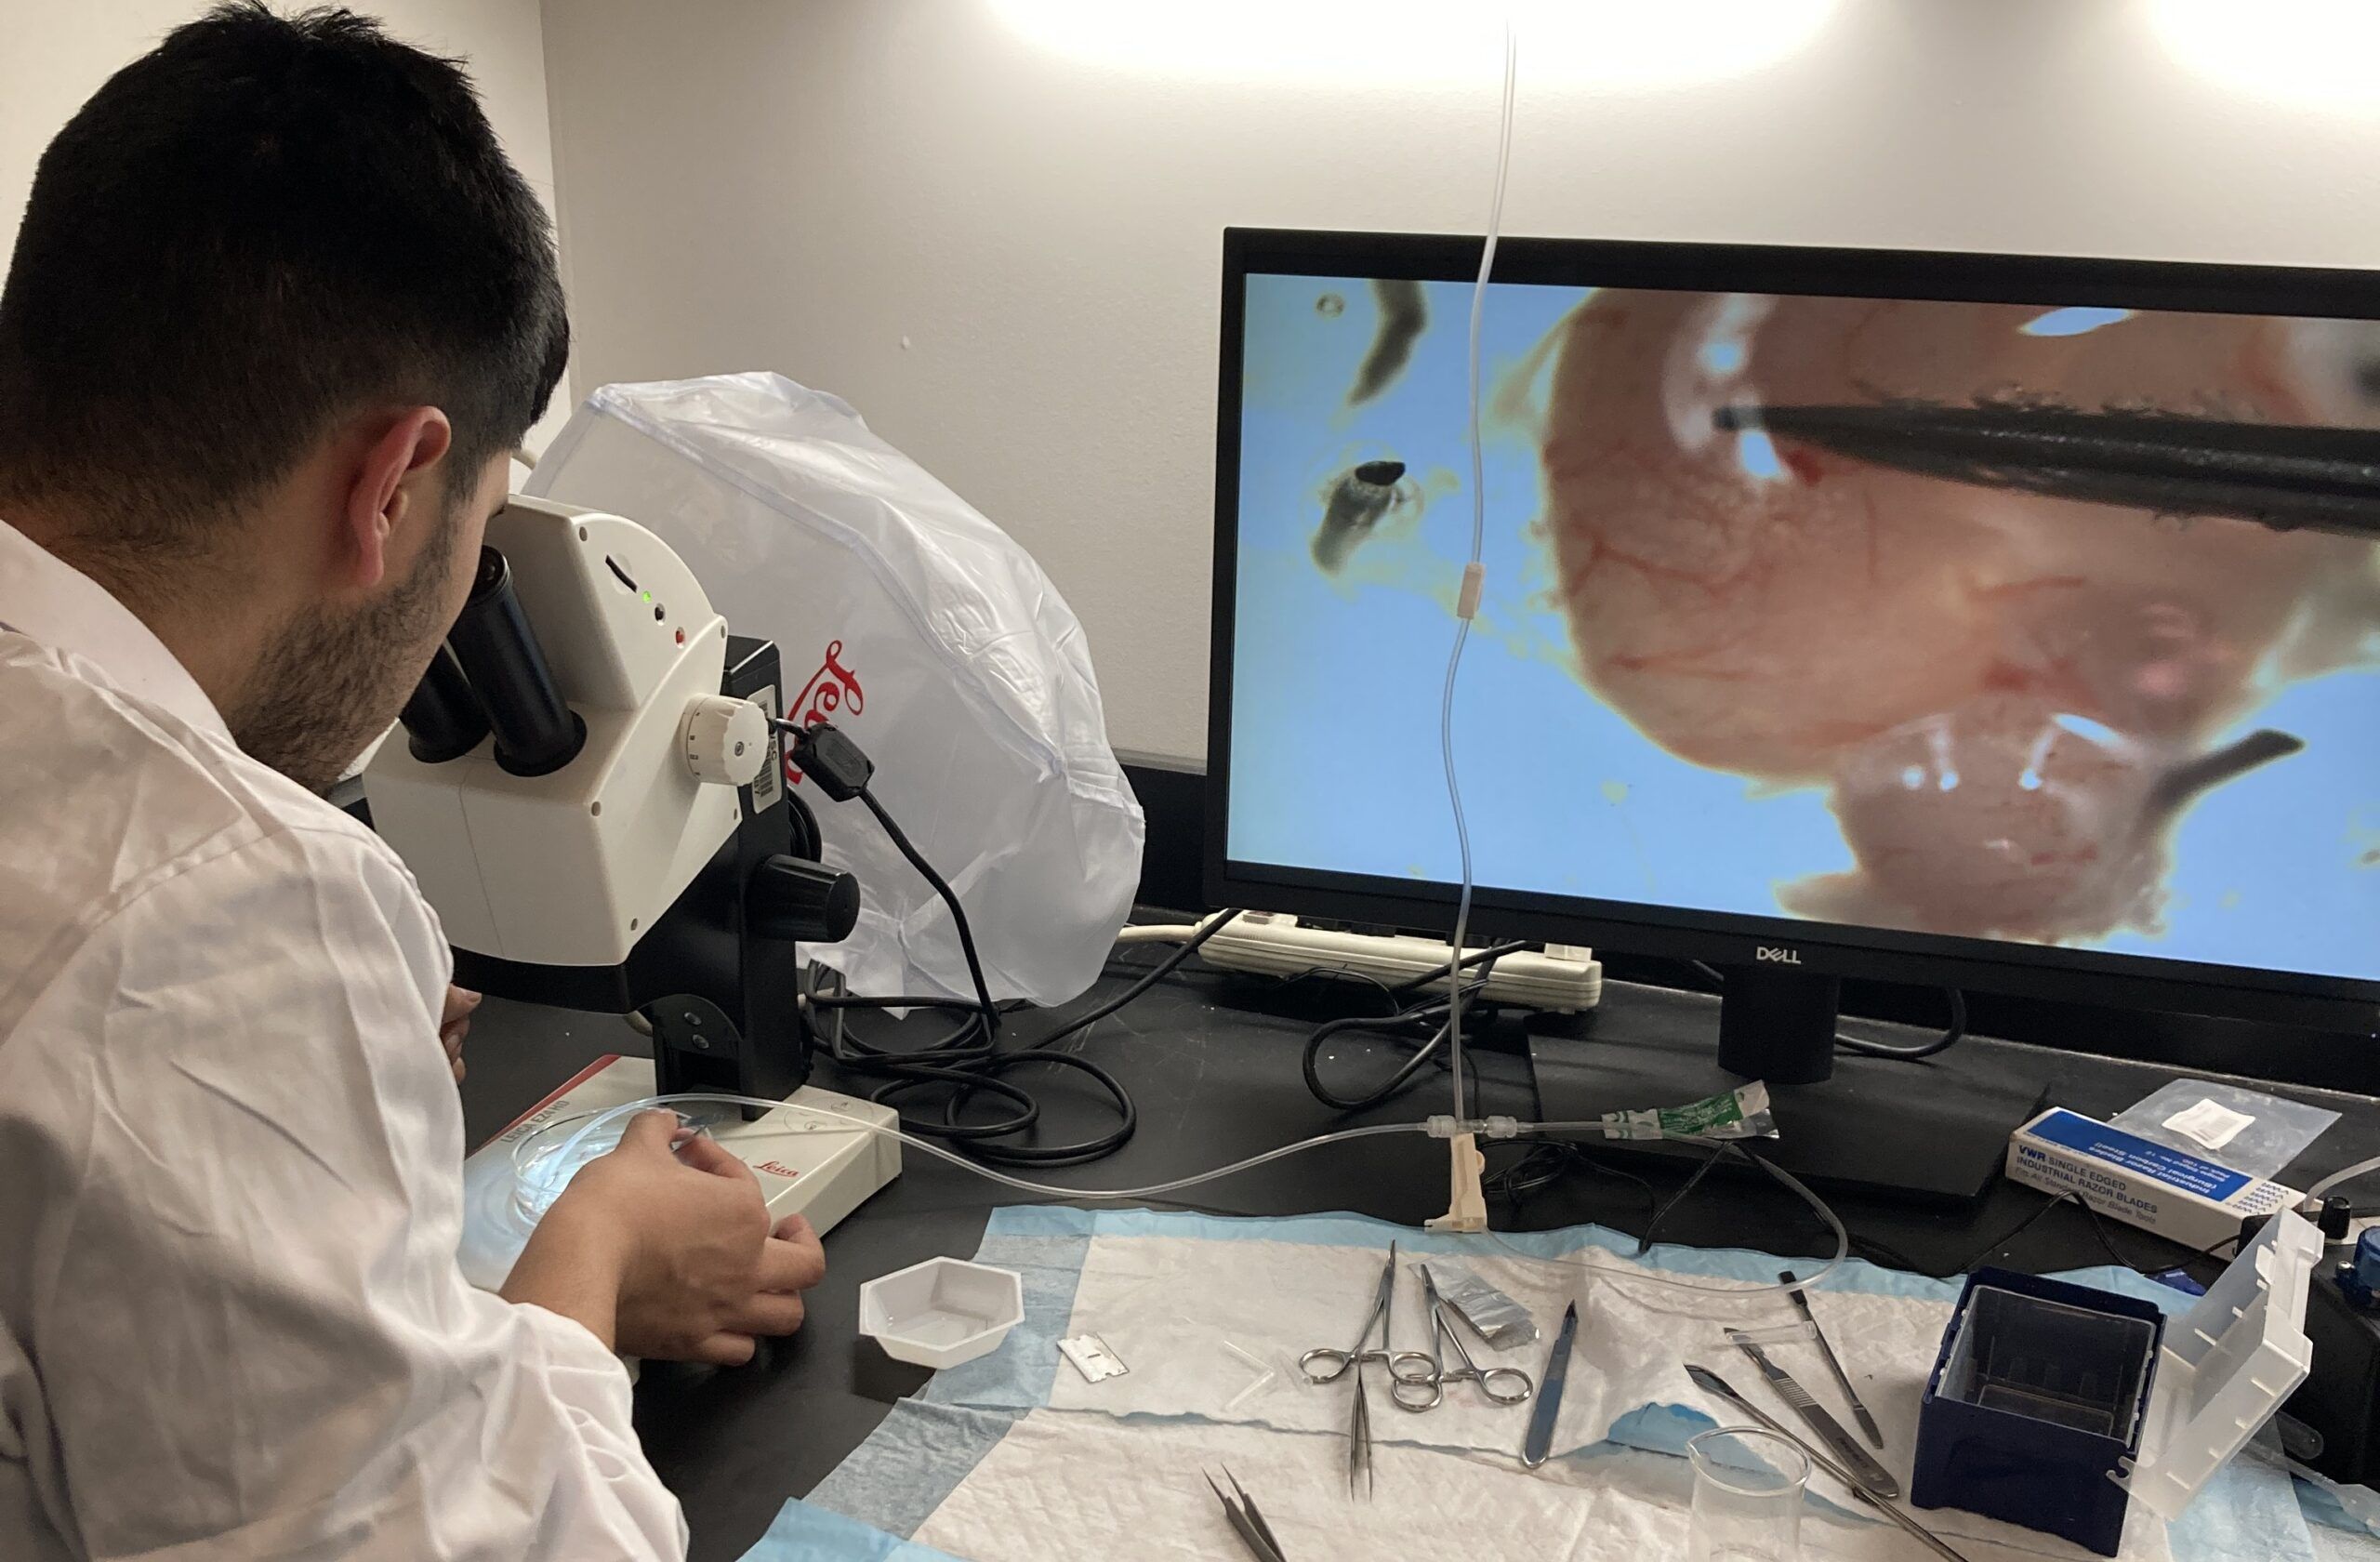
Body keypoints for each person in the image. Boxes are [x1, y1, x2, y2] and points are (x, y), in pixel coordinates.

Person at [0, 7, 824, 1557]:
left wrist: (326, 1125)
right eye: (482, 527)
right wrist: (592, 1261)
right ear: (392, 485)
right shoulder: (209, 900)